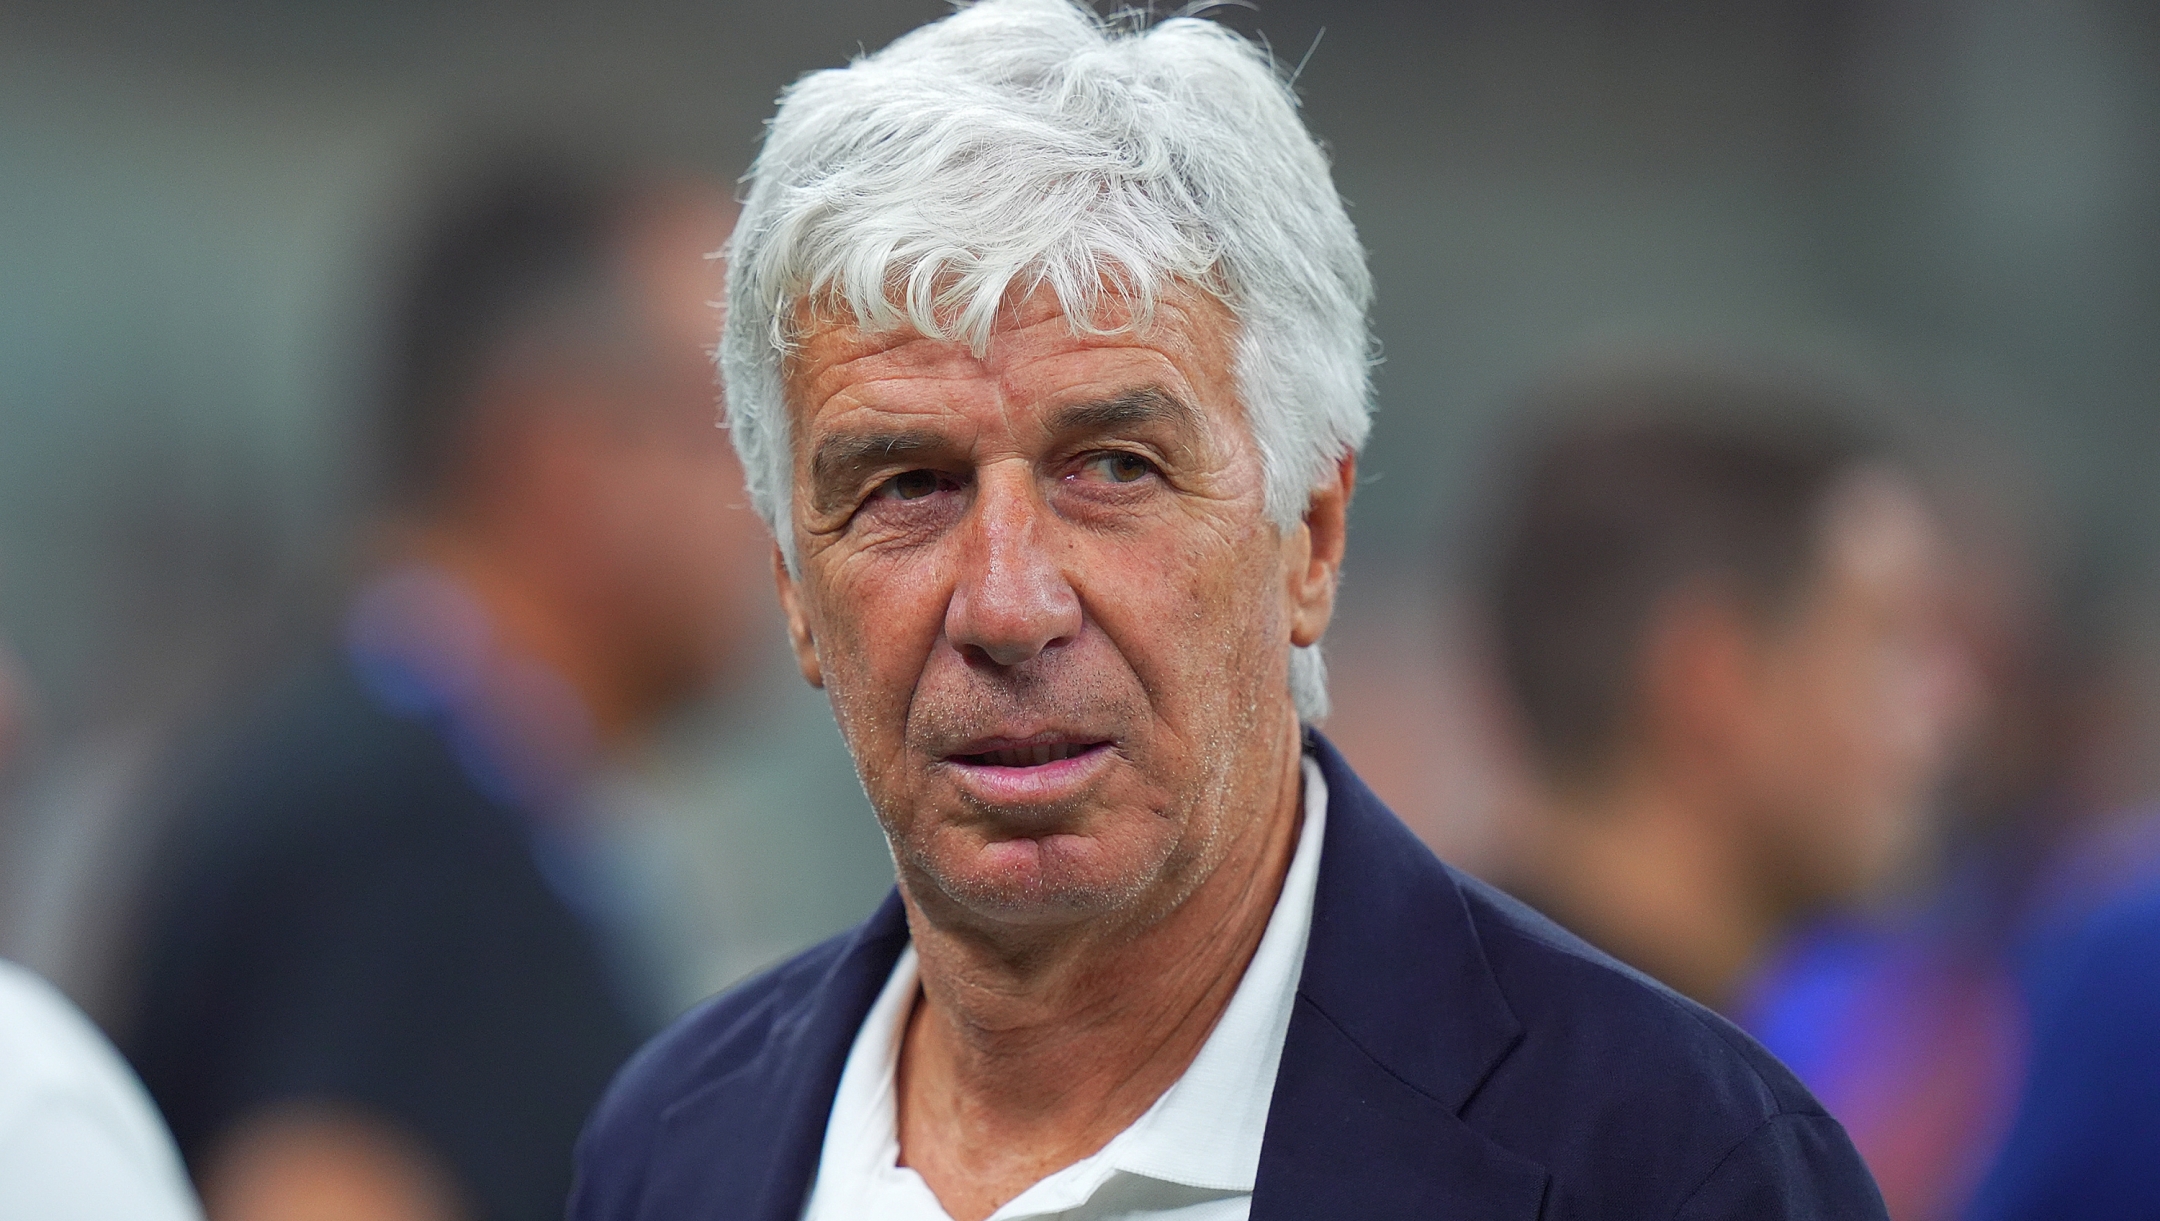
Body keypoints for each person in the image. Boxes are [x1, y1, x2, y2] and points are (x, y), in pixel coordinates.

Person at [570, 4, 1887, 1219]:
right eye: (908, 485)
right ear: (797, 589)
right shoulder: (677, 1148)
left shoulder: (1668, 1166)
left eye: (1115, 470)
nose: (1009, 604)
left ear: (1311, 533)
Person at [116, 158, 763, 1221]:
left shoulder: (449, 792)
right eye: (741, 423)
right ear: (564, 454)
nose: (785, 495)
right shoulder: (391, 831)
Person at [1480, 368, 1967, 1013]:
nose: (1950, 711)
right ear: (1712, 682)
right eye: (1891, 648)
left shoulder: (1428, 1020)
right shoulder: (1603, 1093)